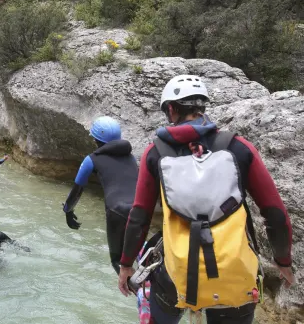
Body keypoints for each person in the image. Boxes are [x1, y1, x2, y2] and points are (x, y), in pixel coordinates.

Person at [118, 74, 295, 324]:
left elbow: (139, 216)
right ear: (202, 107)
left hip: (175, 274)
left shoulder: (155, 153)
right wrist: (283, 261)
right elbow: (275, 212)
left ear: (171, 109)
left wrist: (126, 265)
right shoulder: (238, 147)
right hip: (234, 273)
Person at [62, 116, 138, 275]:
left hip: (117, 211)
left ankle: (142, 295)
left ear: (96, 140)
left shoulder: (91, 160)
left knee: (118, 262)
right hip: (140, 209)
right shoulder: (131, 157)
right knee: (137, 253)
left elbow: (77, 190)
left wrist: (68, 211)